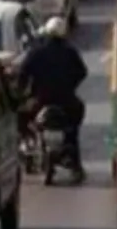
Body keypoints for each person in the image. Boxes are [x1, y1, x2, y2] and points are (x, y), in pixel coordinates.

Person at [17, 16, 88, 181]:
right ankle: (73, 159)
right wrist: (70, 85)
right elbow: (82, 72)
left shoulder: (36, 51)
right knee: (73, 128)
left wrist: (24, 92)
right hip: (66, 102)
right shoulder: (70, 52)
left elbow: (23, 72)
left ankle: (27, 143)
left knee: (21, 115)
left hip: (40, 101)